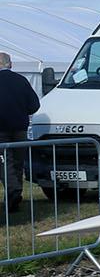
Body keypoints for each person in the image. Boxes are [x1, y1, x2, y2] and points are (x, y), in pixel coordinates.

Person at [0, 52, 42, 213]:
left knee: (5, 164)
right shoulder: (21, 81)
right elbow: (34, 106)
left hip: (1, 129)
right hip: (20, 128)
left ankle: (13, 194)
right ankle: (15, 197)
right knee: (17, 163)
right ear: (10, 64)